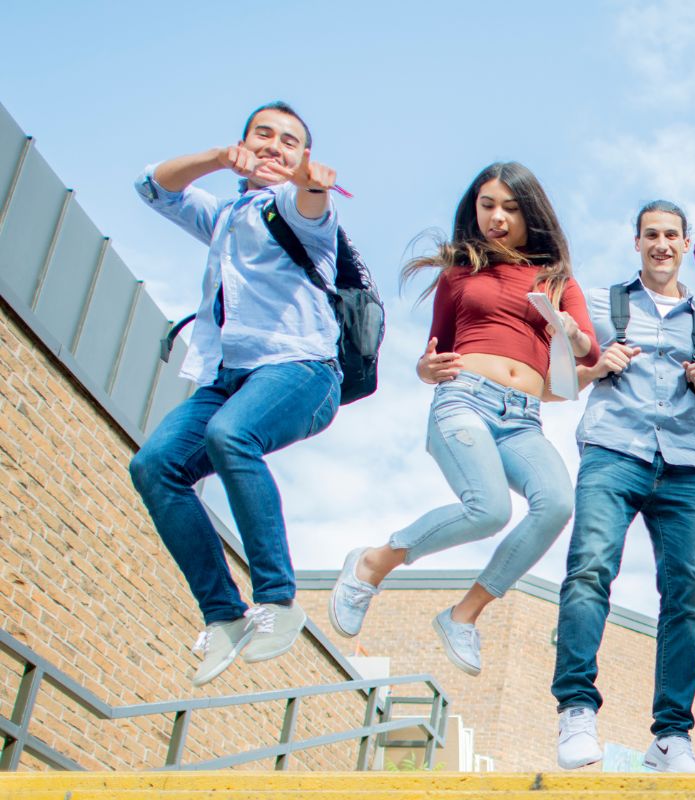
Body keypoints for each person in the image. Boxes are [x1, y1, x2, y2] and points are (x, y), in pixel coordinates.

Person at [328, 162, 597, 678]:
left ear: (531, 214)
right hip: (464, 400)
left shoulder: (557, 281)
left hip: (523, 418)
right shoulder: (460, 272)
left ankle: (463, 616)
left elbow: (588, 352)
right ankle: (372, 564)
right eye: (487, 205)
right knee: (489, 509)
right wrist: (424, 368)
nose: (497, 218)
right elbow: (435, 352)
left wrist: (570, 330)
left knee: (557, 503)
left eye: (511, 208)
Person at [129, 101, 344, 686]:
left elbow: (312, 204)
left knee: (230, 435)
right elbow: (152, 188)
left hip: (301, 370)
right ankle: (224, 614)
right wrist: (216, 158)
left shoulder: (294, 209)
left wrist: (311, 183)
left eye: (290, 141)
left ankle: (278, 599)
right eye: (262, 135)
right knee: (155, 466)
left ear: (304, 156)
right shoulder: (224, 214)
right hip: (227, 377)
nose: (274, 145)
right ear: (243, 146)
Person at [549, 200, 695, 772]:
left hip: (684, 464)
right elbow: (559, 381)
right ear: (637, 242)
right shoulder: (604, 304)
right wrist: (597, 367)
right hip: (613, 451)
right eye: (651, 234)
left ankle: (670, 737)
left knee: (686, 597)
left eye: (671, 235)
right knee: (590, 569)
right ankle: (576, 710)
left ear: (686, 242)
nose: (661, 244)